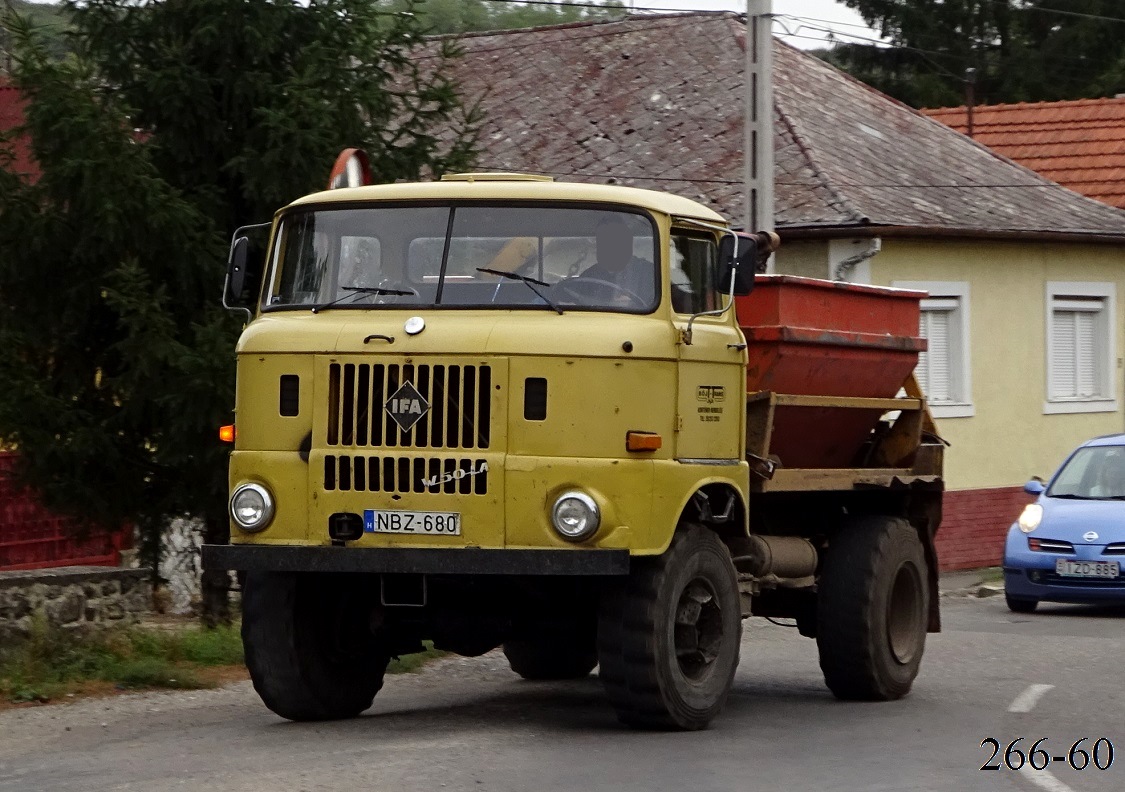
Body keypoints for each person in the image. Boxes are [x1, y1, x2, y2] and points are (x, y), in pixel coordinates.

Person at [574, 215, 654, 306]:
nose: (608, 246)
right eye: (603, 240)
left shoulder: (649, 273)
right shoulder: (588, 276)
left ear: (627, 242)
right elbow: (574, 302)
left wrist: (633, 304)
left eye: (615, 240)